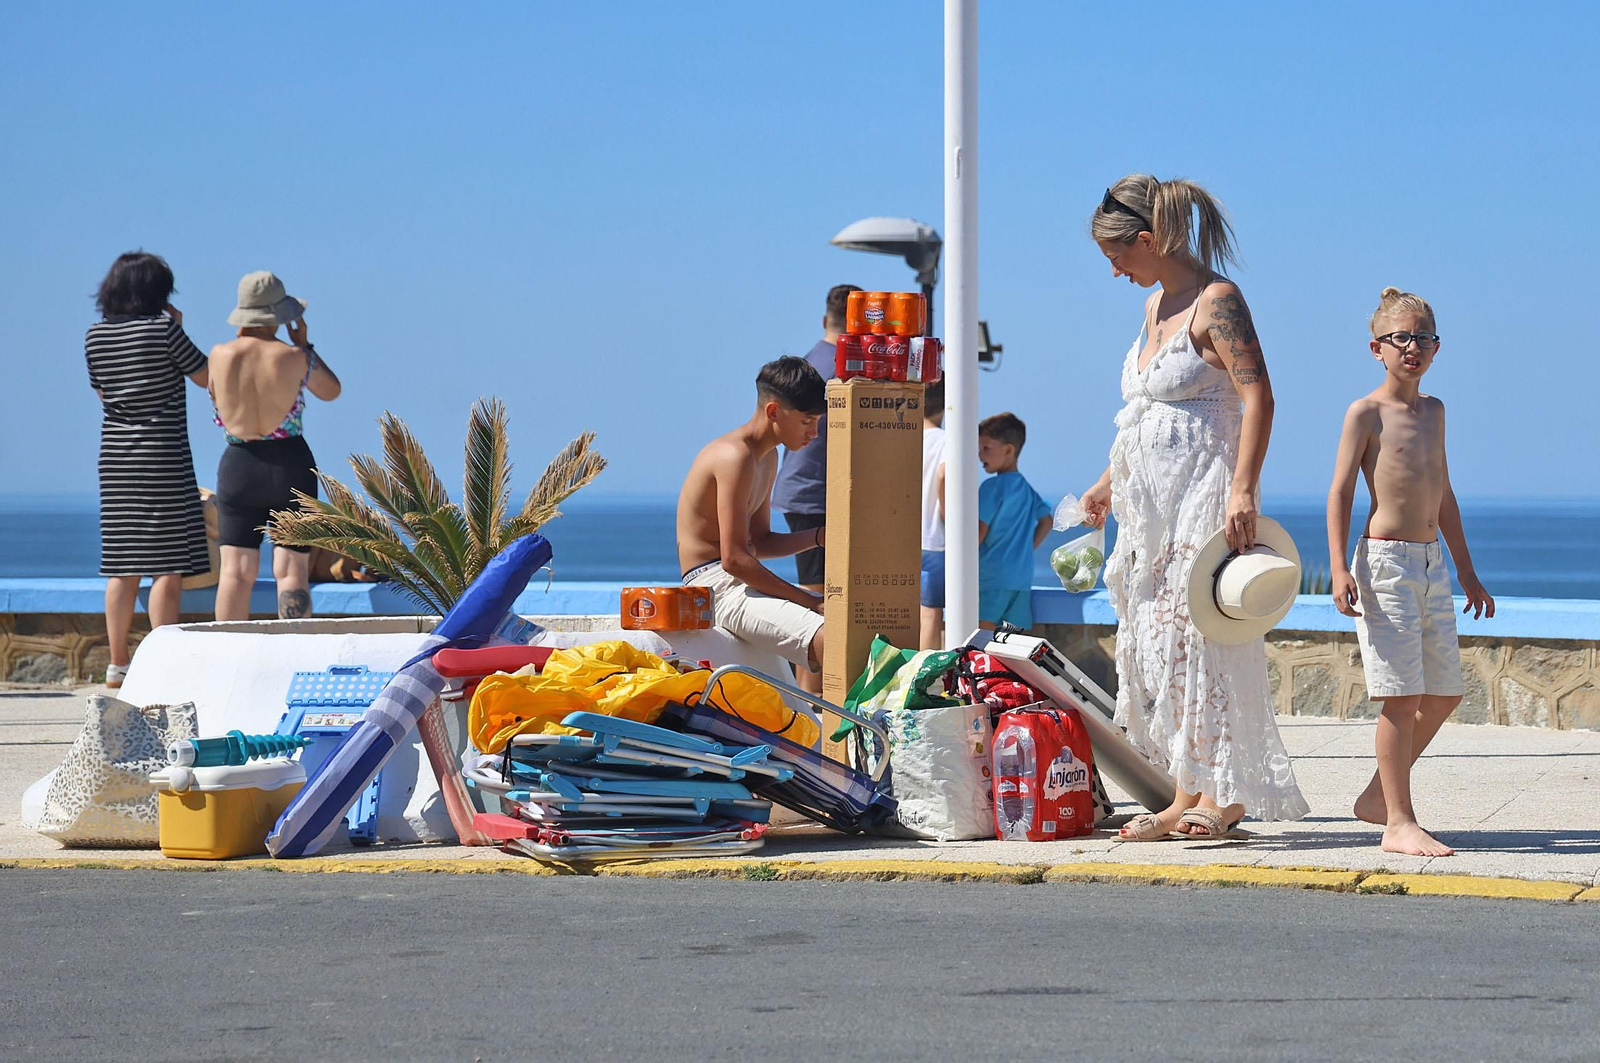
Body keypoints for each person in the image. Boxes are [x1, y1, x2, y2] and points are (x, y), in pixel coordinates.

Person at [1079, 174, 1308, 840]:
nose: (1115, 272)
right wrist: (1106, 482)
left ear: (1148, 239)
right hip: (1150, 509)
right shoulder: (1154, 306)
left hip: (1205, 492)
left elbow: (1259, 397)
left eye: (1117, 256)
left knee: (1205, 637)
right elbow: (1144, 410)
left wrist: (1244, 488)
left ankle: (1225, 795)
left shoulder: (1218, 301)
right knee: (1162, 642)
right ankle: (1186, 790)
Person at [1328, 287, 1494, 857]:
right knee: (1401, 696)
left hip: (1431, 563)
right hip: (1385, 563)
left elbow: (1443, 493)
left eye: (1425, 338)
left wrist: (1467, 572)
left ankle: (1379, 795)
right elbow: (1341, 491)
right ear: (1377, 347)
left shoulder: (1435, 412)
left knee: (1444, 692)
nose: (1414, 348)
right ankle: (1398, 822)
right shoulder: (1366, 413)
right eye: (1401, 338)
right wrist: (1337, 568)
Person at [85, 252, 210, 688]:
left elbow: (104, 395)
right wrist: (177, 327)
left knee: (122, 565)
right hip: (162, 456)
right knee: (166, 566)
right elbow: (205, 376)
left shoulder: (94, 336)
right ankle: (163, 663)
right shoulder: (163, 331)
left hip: (116, 459)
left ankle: (117, 662)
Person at [678, 357, 828, 678]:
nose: (814, 433)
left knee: (845, 628)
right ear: (773, 411)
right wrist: (808, 600)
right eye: (807, 421)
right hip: (712, 588)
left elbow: (761, 541)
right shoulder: (734, 457)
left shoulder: (767, 456)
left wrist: (819, 536)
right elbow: (734, 559)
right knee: (834, 640)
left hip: (736, 581)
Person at [207, 272, 341, 621]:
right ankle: (294, 648)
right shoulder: (294, 356)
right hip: (289, 465)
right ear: (280, 315)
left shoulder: (219, 355)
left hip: (238, 465)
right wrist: (305, 346)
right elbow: (331, 391)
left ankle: (229, 651)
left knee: (235, 572)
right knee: (292, 569)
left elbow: (214, 393)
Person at [769, 284, 860, 688]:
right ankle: (809, 695)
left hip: (801, 492)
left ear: (826, 319)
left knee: (822, 595)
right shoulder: (846, 369)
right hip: (818, 495)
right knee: (820, 602)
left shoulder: (808, 364)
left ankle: (812, 693)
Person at [976, 413, 1051, 632]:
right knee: (1012, 640)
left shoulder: (991, 487)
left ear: (1008, 450)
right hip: (1021, 578)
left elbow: (979, 531)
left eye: (986, 448)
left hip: (991, 577)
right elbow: (1046, 521)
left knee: (981, 636)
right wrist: (1027, 548)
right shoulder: (1027, 489)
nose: (980, 454)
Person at [920, 379, 947, 649]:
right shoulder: (946, 440)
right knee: (930, 613)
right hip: (933, 540)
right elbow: (944, 473)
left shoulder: (902, 436)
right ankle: (923, 669)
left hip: (902, 539)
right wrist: (947, 514)